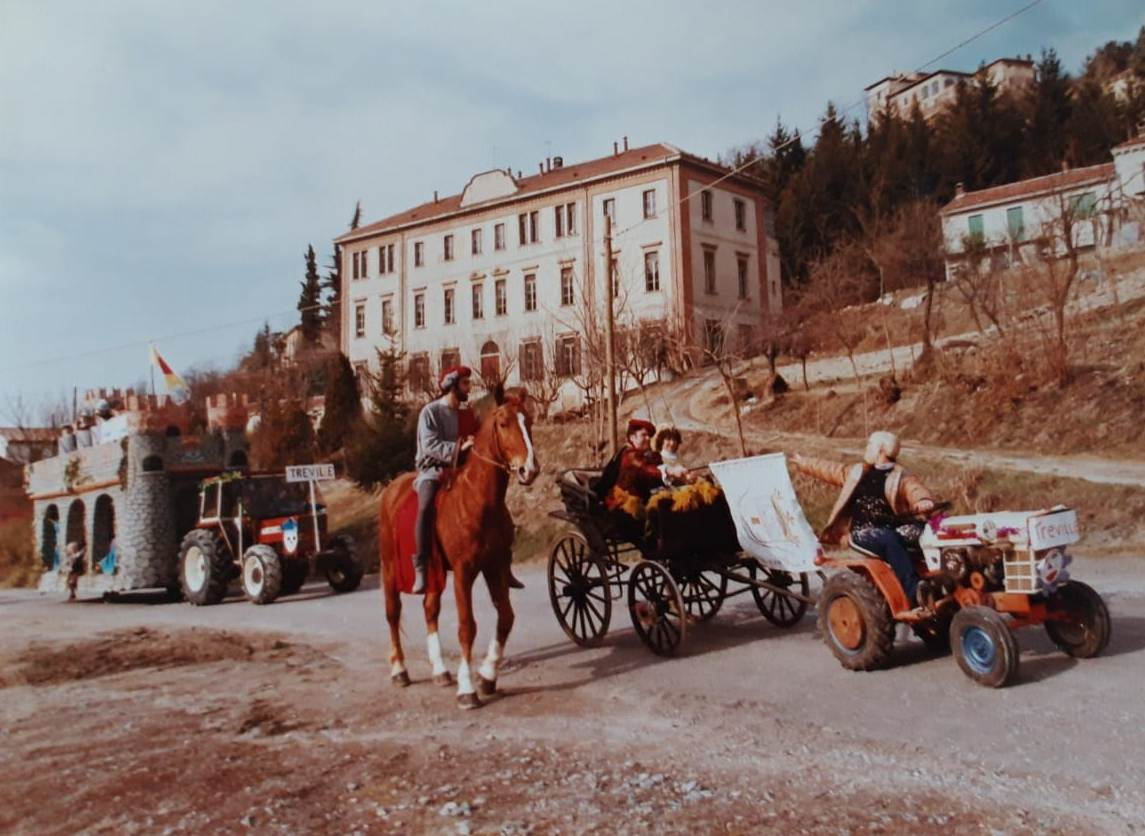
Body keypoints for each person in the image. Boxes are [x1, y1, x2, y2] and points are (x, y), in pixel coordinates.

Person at [790, 431, 936, 610]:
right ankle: (914, 591)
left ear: (881, 450)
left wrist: (923, 501)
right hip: (863, 531)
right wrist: (803, 462)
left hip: (893, 527)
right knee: (888, 539)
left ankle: (939, 577)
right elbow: (831, 470)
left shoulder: (900, 476)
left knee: (926, 531)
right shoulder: (858, 472)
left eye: (870, 445)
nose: (867, 449)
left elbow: (915, 489)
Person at [411, 366, 524, 594]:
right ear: (452, 386)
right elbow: (429, 445)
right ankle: (421, 564)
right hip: (434, 470)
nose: (468, 388)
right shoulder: (430, 412)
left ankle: (505, 562)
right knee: (425, 506)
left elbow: (479, 438)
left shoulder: (467, 413)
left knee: (496, 505)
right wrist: (458, 447)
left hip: (462, 469)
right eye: (464, 384)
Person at [599, 419, 689, 513]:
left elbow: (657, 474)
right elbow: (645, 469)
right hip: (624, 505)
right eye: (643, 435)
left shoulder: (649, 455)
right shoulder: (629, 455)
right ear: (632, 437)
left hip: (643, 500)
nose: (648, 438)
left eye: (649, 436)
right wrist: (671, 471)